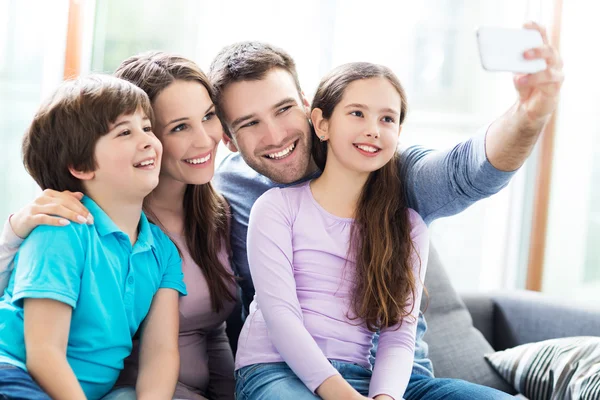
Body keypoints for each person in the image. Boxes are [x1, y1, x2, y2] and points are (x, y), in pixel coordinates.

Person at [0, 21, 564, 399]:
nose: (273, 136)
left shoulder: (382, 172)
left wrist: (530, 113)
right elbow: (40, 290)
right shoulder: (220, 198)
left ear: (313, 110)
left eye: (283, 110)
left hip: (388, 377)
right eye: (245, 123)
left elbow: (469, 170)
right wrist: (14, 231)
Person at [0, 52, 238, 400]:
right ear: (80, 165)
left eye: (145, 128)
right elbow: (43, 354)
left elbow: (161, 353)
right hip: (18, 377)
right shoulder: (62, 228)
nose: (145, 140)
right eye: (125, 132)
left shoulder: (162, 251)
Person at [235, 62, 427, 400]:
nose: (373, 130)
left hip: (364, 377)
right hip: (273, 370)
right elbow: (281, 319)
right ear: (322, 124)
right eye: (357, 114)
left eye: (387, 119)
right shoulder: (277, 208)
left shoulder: (408, 227)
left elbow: (399, 335)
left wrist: (384, 397)